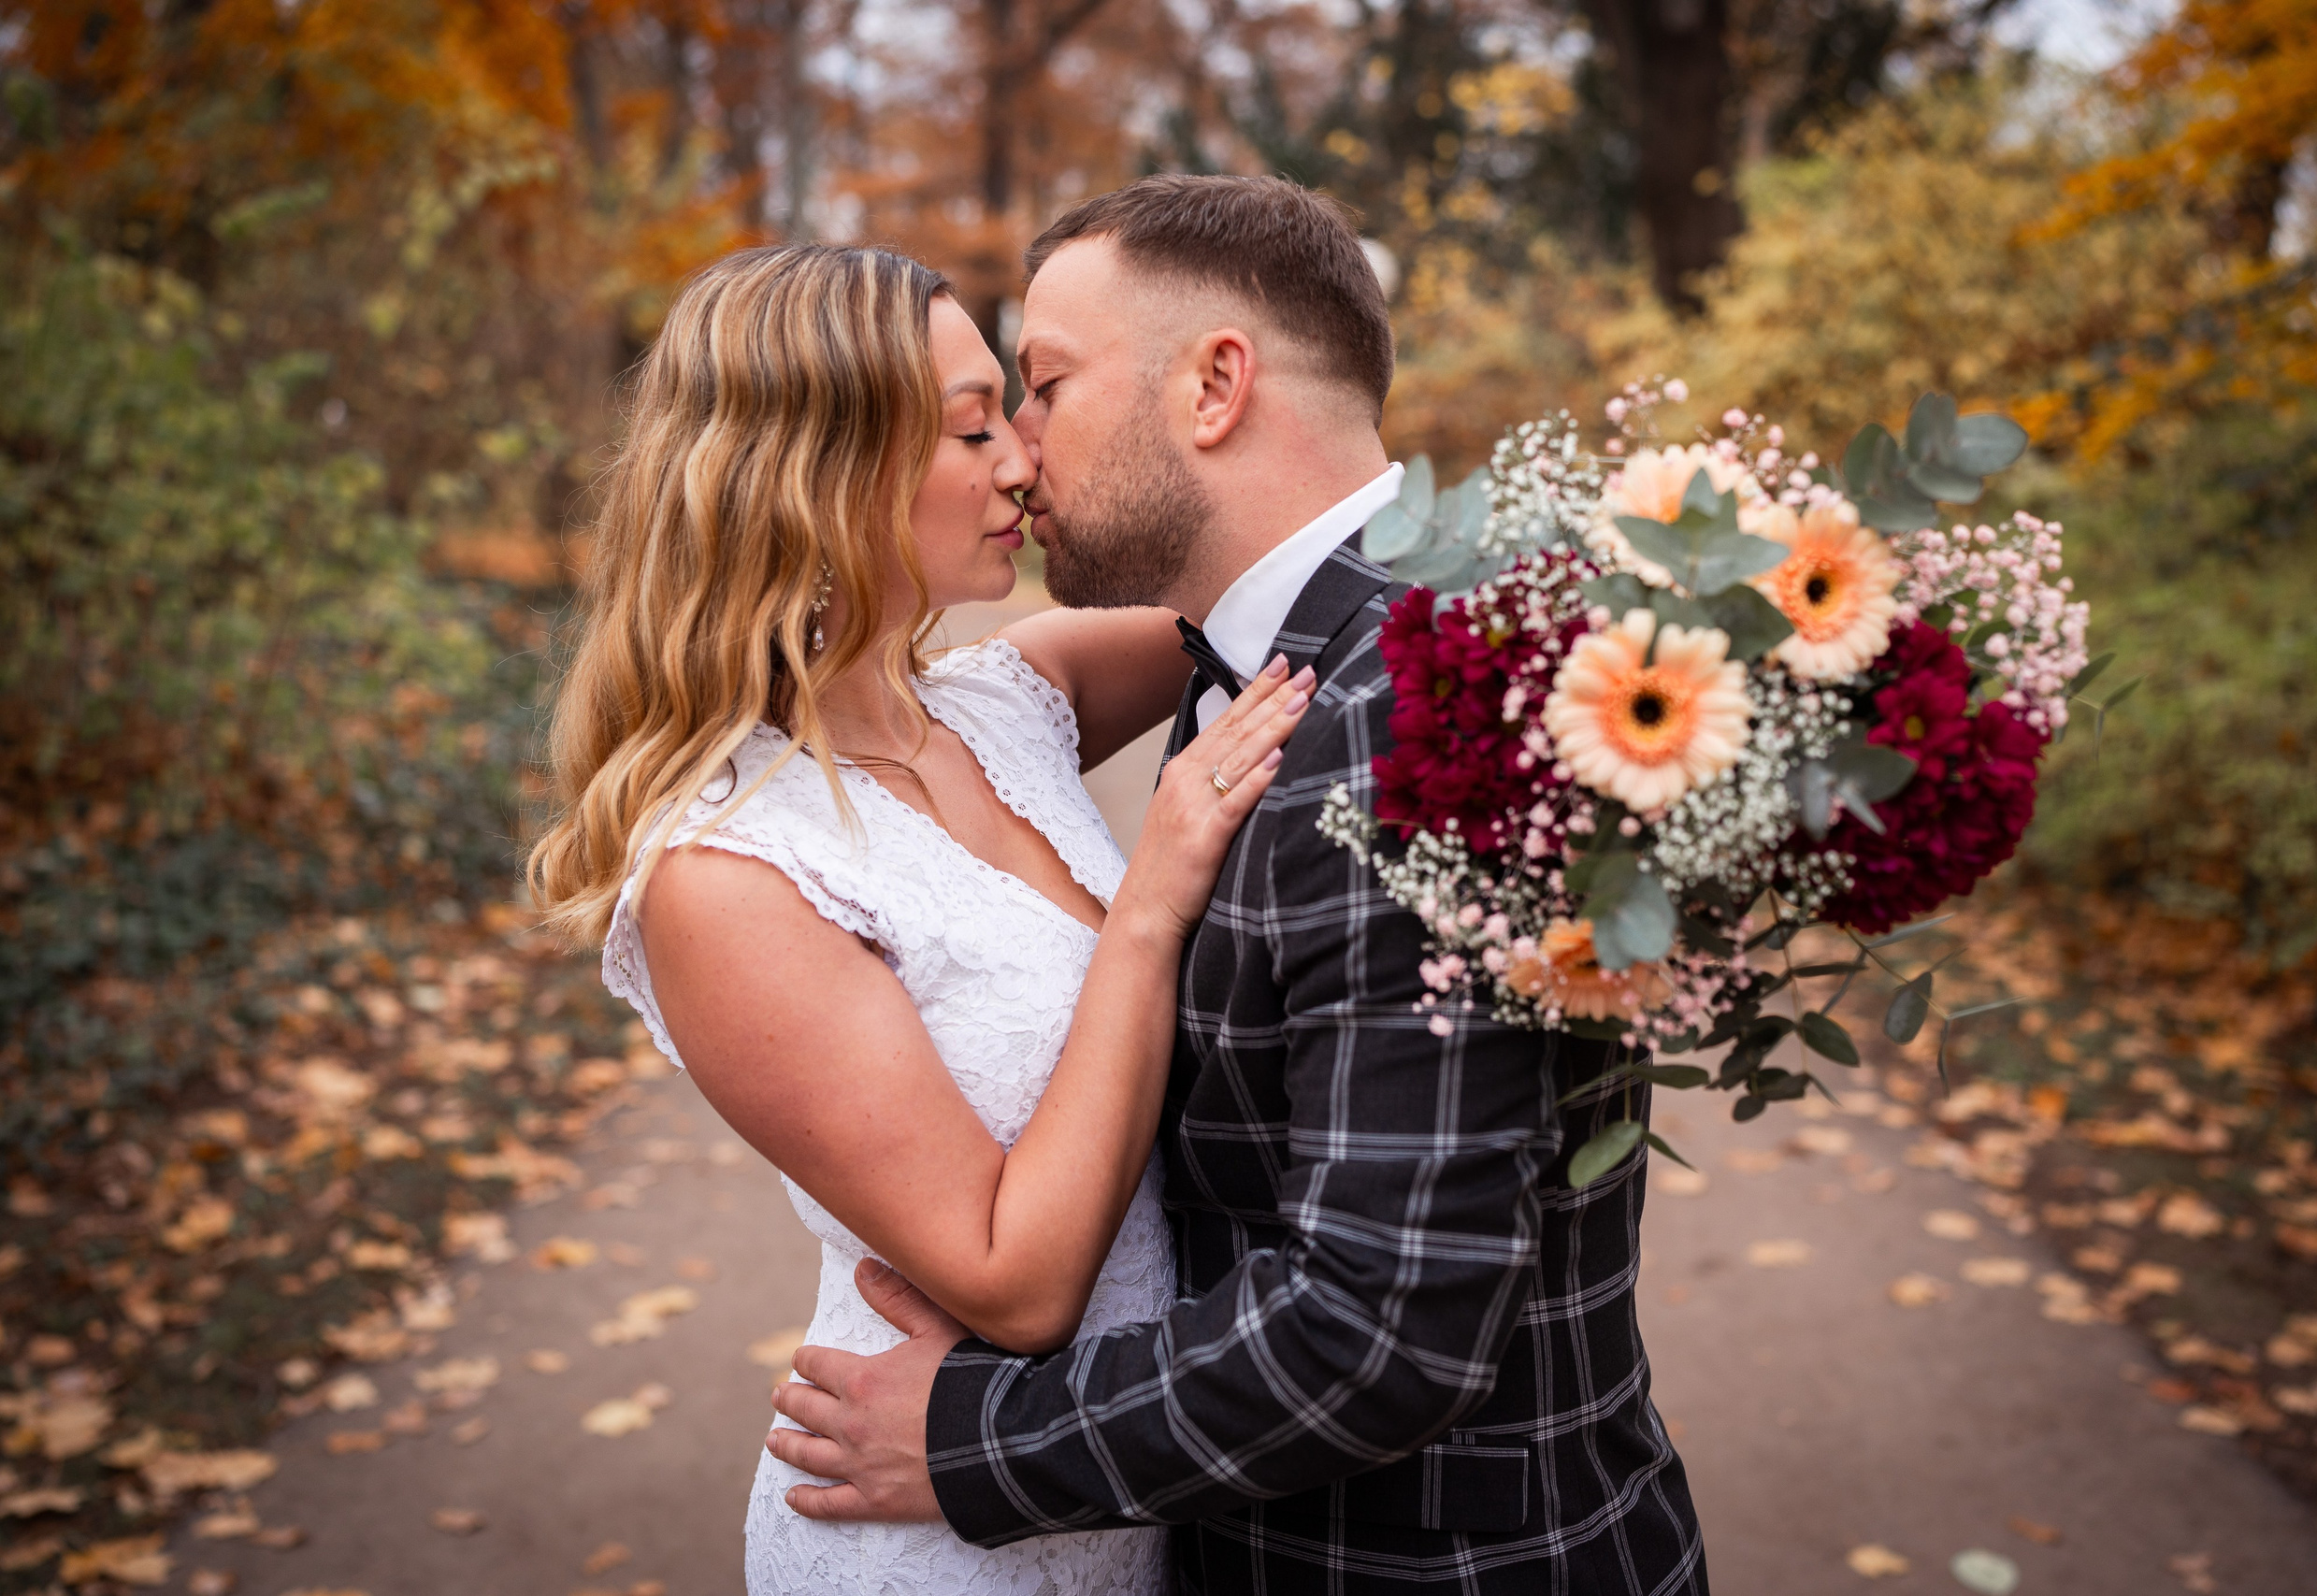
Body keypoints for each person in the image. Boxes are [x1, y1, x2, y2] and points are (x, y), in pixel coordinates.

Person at [760, 176, 1709, 1593]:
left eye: (1045, 388)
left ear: (1215, 385)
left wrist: (977, 1445)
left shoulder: (1411, 724)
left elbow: (1382, 1327)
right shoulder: (1297, 658)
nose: (1019, 453)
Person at [526, 240, 1317, 1595]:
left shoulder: (1009, 699)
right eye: (969, 428)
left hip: (1148, 1483)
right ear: (816, 476)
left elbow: (1278, 590)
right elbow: (1014, 1281)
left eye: (1016, 406)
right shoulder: (726, 871)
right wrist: (1147, 907)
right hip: (935, 1530)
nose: (1020, 459)